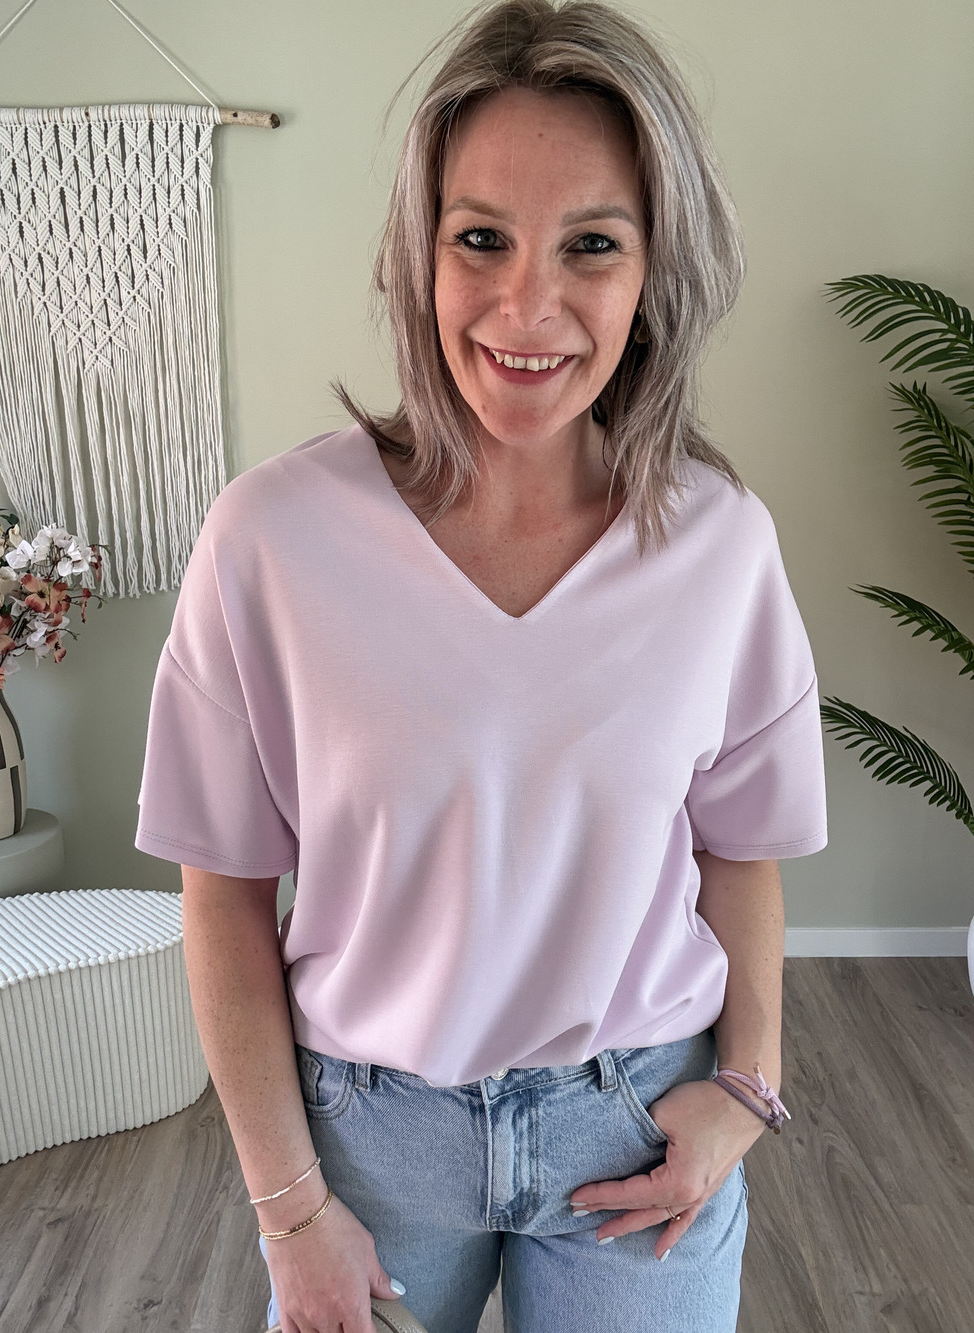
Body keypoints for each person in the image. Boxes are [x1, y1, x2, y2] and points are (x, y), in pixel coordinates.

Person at [135, 2, 828, 1331]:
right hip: (363, 1141)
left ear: (655, 267)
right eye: (481, 238)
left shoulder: (720, 545)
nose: (529, 305)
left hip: (635, 1129)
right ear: (421, 251)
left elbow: (742, 852)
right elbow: (222, 890)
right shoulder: (270, 539)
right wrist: (288, 1205)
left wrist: (748, 1084)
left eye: (592, 244)